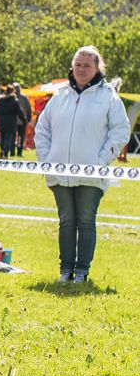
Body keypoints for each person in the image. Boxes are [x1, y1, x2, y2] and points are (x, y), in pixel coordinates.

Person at [34, 46, 130, 284]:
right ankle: (65, 271)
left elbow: (121, 130)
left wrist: (101, 160)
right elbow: (42, 129)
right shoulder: (60, 96)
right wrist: (47, 160)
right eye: (78, 64)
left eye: (87, 65)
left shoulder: (108, 96)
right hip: (59, 174)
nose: (81, 69)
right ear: (72, 66)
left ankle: (82, 272)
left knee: (86, 220)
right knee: (66, 221)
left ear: (98, 68)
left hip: (92, 173)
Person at [0, 85, 26, 160]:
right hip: (10, 122)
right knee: (8, 138)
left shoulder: (0, 100)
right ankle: (5, 153)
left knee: (2, 137)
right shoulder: (14, 101)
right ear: (13, 92)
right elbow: (19, 112)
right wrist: (24, 120)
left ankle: (2, 150)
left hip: (1, 121)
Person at [12, 82, 32, 157]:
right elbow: (29, 109)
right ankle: (19, 152)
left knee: (13, 137)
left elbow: (29, 110)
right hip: (22, 120)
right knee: (20, 137)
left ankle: (13, 151)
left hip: (13, 121)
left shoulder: (11, 97)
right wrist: (29, 119)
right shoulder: (24, 98)